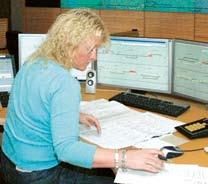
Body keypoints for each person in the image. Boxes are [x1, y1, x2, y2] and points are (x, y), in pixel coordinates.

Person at [0, 9, 164, 184]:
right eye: (90, 49)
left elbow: (32, 103)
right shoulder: (65, 83)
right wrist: (125, 158)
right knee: (114, 177)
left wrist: (71, 115)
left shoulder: (34, 62)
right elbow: (66, 150)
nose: (93, 57)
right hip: (38, 175)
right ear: (69, 44)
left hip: (9, 164)